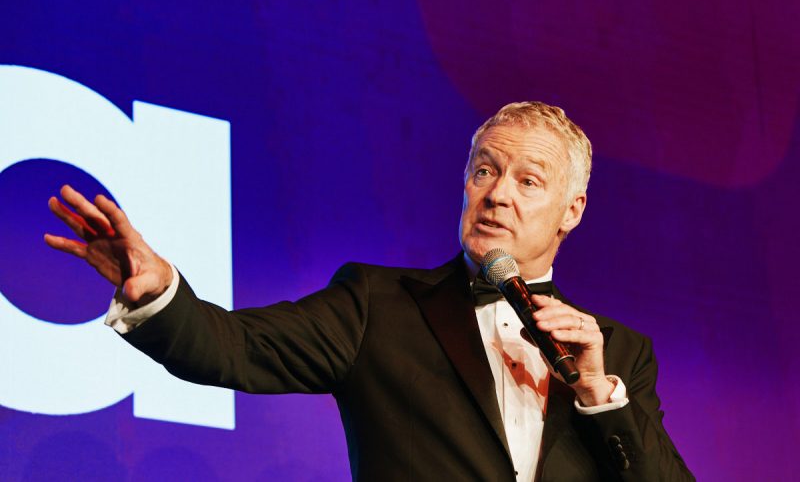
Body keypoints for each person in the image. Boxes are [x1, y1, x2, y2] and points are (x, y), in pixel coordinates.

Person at [46, 102, 694, 481]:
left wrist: (596, 395)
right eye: (484, 170)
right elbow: (231, 347)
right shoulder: (378, 306)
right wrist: (160, 293)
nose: (496, 193)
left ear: (572, 210)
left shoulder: (620, 355)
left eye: (529, 181)